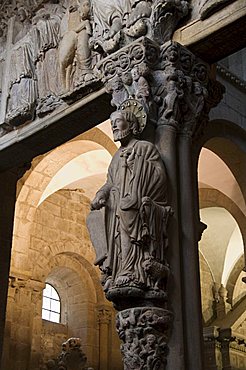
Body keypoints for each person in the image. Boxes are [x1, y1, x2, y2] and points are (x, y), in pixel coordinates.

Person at [87, 105, 169, 291]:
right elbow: (110, 182)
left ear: (131, 125)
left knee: (126, 208)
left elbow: (159, 176)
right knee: (93, 217)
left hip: (135, 202)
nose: (114, 127)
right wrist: (101, 194)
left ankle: (131, 269)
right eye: (111, 124)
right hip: (116, 202)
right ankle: (111, 268)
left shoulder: (144, 148)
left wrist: (136, 165)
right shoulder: (115, 157)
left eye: (118, 122)